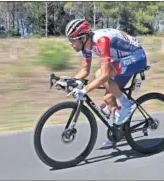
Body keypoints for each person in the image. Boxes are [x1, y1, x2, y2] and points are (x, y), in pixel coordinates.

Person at [57, 19, 148, 148]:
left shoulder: (102, 40)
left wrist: (84, 90)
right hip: (121, 60)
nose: (71, 44)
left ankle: (127, 105)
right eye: (69, 40)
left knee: (100, 73)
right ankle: (118, 132)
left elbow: (105, 75)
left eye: (72, 40)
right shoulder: (86, 46)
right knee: (108, 98)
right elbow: (84, 71)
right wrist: (68, 81)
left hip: (137, 57)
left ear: (83, 38)